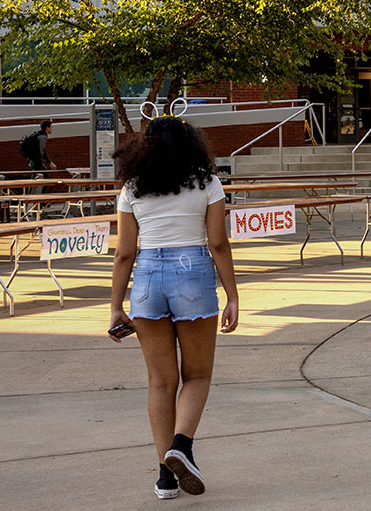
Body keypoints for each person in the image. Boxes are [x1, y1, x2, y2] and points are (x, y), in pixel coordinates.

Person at [107, 117, 240, 500]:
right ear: (191, 145)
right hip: (193, 273)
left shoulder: (132, 188)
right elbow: (218, 244)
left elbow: (124, 253)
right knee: (196, 376)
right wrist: (232, 295)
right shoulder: (208, 183)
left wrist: (116, 306)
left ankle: (166, 477)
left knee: (160, 382)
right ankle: (182, 445)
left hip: (148, 278)